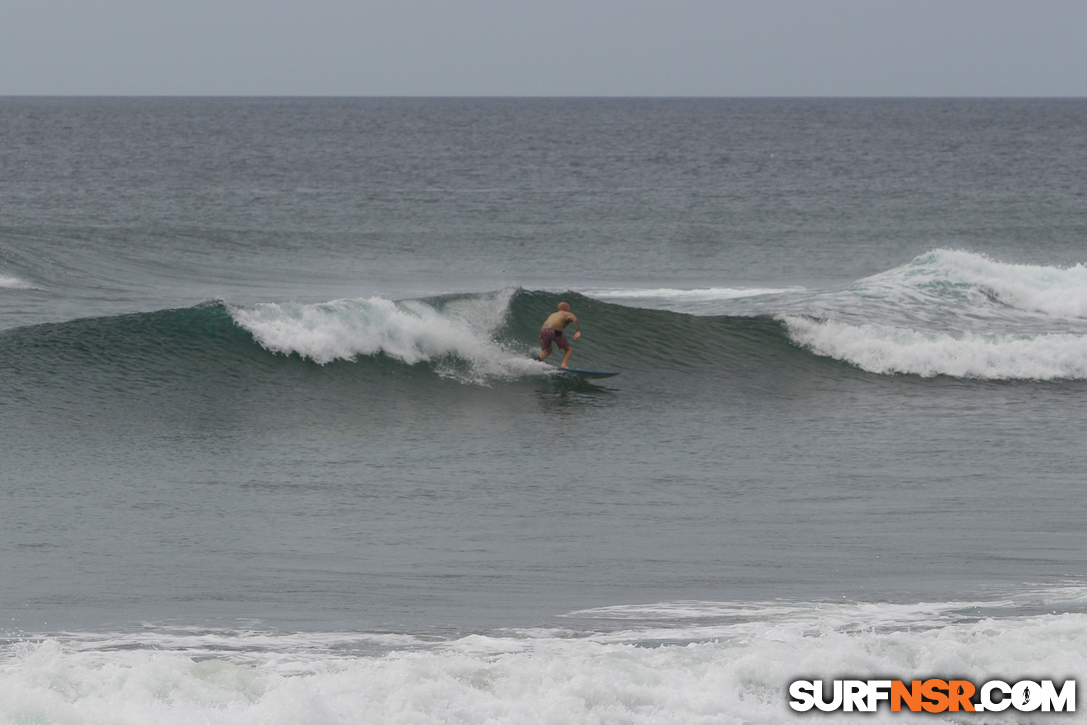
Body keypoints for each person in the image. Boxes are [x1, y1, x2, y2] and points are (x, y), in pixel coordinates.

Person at [536, 301, 581, 369]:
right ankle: (563, 365)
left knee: (547, 350)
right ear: (567, 309)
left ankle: (537, 361)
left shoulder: (553, 314)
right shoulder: (568, 313)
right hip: (555, 330)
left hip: (543, 330)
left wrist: (542, 340)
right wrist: (578, 331)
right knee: (568, 350)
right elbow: (574, 319)